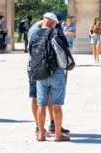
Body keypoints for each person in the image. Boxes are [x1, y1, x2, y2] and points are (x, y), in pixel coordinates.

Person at [28, 12, 72, 141]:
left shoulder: (34, 34)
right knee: (56, 105)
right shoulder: (56, 33)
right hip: (55, 71)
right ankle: (58, 134)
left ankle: (41, 133)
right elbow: (65, 51)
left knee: (41, 105)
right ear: (53, 23)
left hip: (40, 72)